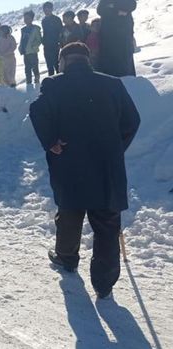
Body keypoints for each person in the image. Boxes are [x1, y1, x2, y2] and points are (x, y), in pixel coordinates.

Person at [29, 42, 140, 299]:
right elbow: (132, 121)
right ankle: (104, 284)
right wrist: (116, 147)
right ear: (87, 60)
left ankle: (67, 257)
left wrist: (51, 142)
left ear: (64, 61)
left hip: (70, 164)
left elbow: (37, 112)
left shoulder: (53, 84)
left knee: (69, 213)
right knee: (107, 225)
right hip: (106, 168)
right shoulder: (112, 84)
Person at [97, 0, 137, 77]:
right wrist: (118, 11)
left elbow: (131, 5)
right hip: (108, 36)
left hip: (123, 36)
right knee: (109, 61)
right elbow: (100, 10)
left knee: (125, 63)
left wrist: (113, 6)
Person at [20, 11, 43, 85]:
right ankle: (28, 83)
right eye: (25, 18)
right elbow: (22, 40)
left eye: (28, 18)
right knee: (27, 69)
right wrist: (20, 47)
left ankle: (37, 82)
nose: (26, 20)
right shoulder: (23, 29)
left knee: (35, 68)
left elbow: (39, 40)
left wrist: (33, 46)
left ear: (32, 19)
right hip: (25, 52)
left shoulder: (35, 28)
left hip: (32, 52)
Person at [42, 2, 64, 76]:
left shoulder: (56, 19)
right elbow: (45, 33)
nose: (46, 11)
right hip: (47, 46)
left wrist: (59, 43)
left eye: (48, 9)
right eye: (45, 9)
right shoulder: (44, 20)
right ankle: (51, 82)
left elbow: (61, 32)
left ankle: (60, 82)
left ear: (51, 9)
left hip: (55, 45)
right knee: (49, 66)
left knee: (57, 65)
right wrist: (43, 42)